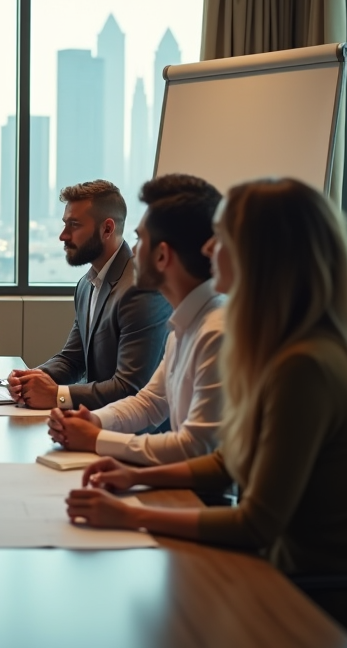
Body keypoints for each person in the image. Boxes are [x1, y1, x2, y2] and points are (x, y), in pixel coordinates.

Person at [67, 178, 347, 574]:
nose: (207, 249)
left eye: (220, 238)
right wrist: (136, 478)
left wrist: (130, 515)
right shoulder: (282, 346)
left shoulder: (304, 365)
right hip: (289, 571)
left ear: (261, 255)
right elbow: (228, 460)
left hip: (318, 596)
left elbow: (256, 523)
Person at [48, 174, 225, 465]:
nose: (132, 249)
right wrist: (92, 421)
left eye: (140, 238)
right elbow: (150, 402)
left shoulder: (216, 331)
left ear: (162, 255)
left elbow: (197, 448)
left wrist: (97, 438)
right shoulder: (184, 327)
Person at [9, 180, 171, 410]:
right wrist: (29, 379)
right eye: (65, 224)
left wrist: (58, 395)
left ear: (107, 229)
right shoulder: (86, 284)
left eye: (74, 225)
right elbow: (72, 359)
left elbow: (131, 388)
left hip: (136, 435)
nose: (63, 236)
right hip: (98, 421)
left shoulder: (140, 289)